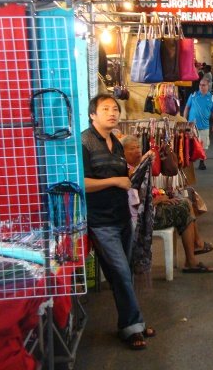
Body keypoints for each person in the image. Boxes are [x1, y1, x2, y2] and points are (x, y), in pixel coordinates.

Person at [81, 94, 155, 351]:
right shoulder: (85, 142)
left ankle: (130, 321)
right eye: (105, 109)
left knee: (122, 275)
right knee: (121, 273)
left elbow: (121, 176)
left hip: (122, 217)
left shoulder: (117, 142)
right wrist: (115, 182)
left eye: (115, 109)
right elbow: (82, 184)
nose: (112, 113)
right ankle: (133, 327)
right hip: (100, 222)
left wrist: (138, 168)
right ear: (93, 114)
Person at [120, 135, 213, 273]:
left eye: (138, 147)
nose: (137, 151)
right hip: (142, 219)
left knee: (184, 205)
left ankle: (195, 249)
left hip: (147, 211)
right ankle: (193, 252)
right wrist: (160, 200)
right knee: (184, 208)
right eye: (132, 149)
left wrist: (161, 198)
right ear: (122, 153)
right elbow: (139, 205)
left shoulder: (136, 168)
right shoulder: (130, 173)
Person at [184, 77, 213, 170]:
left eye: (203, 85)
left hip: (204, 126)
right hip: (192, 125)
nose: (201, 87)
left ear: (208, 86)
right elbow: (187, 107)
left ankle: (202, 162)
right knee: (190, 144)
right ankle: (188, 161)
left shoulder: (211, 98)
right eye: (200, 85)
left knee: (204, 144)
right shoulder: (193, 95)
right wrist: (184, 120)